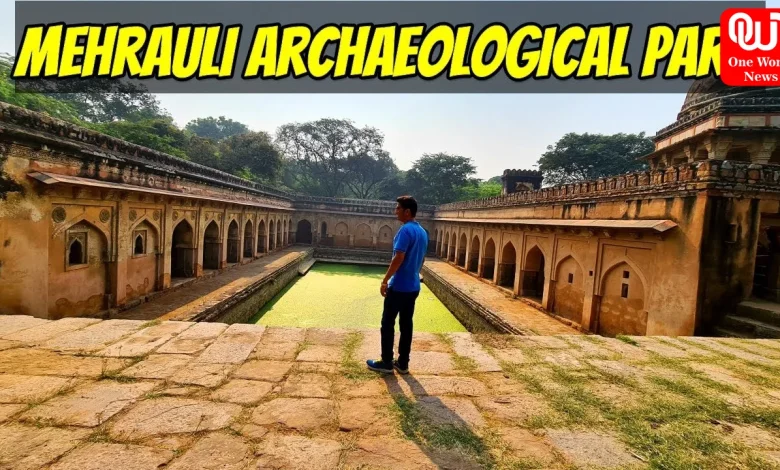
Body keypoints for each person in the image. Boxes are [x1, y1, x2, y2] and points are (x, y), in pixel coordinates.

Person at [367, 195, 428, 374]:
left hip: (399, 286)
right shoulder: (423, 232)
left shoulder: (405, 230)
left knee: (387, 323)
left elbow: (398, 257)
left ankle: (386, 362)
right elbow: (422, 258)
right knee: (406, 324)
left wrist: (385, 280)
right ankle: (403, 363)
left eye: (398, 208)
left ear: (407, 211)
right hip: (413, 286)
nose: (396, 211)